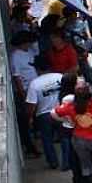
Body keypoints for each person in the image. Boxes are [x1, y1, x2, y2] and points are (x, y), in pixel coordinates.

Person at [25, 55, 64, 169]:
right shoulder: (59, 77)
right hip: (60, 111)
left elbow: (31, 104)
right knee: (65, 138)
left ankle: (53, 162)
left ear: (37, 68)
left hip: (44, 115)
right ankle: (68, 160)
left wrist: (30, 118)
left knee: (47, 140)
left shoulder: (35, 84)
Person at [10, 30, 42, 159]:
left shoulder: (29, 52)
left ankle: (34, 139)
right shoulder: (15, 56)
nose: (30, 44)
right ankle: (30, 147)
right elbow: (17, 77)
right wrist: (24, 96)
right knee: (26, 120)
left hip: (34, 89)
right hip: (25, 91)